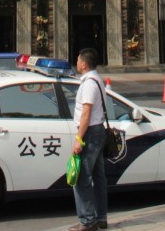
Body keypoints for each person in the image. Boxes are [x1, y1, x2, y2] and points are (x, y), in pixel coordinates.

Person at [69, 48, 107, 231]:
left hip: (90, 133)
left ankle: (87, 220)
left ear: (83, 64)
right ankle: (100, 218)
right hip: (97, 131)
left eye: (78, 60)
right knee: (98, 177)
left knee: (81, 176)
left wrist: (79, 138)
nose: (76, 62)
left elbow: (86, 113)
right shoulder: (95, 80)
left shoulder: (89, 84)